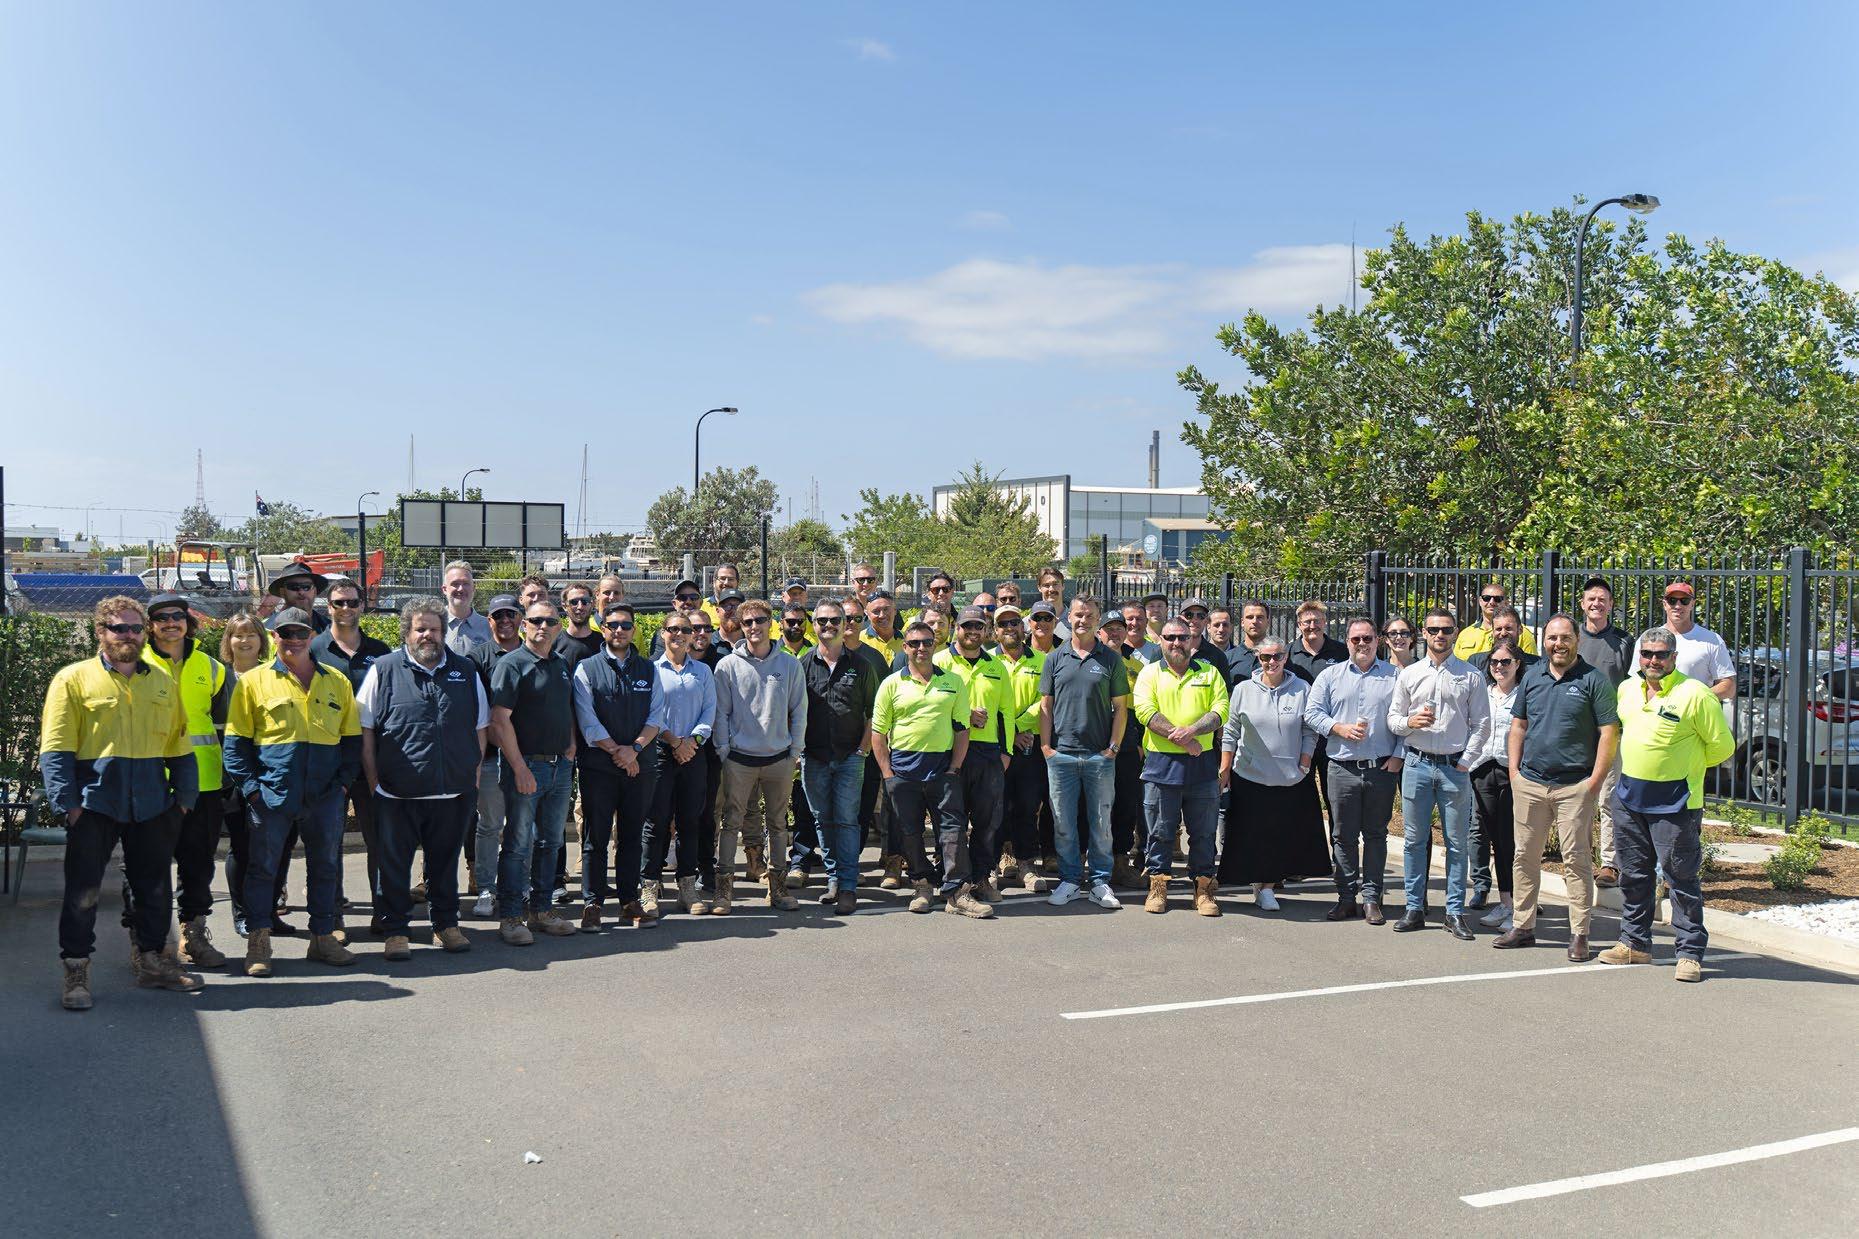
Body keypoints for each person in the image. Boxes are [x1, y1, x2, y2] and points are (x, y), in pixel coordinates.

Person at [42, 596, 202, 1009]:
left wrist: (183, 800)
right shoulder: (73, 679)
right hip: (95, 804)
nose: (128, 635)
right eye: (118, 628)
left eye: (134, 628)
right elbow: (55, 750)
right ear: (100, 632)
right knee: (83, 891)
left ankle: (152, 962)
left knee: (154, 889)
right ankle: (76, 970)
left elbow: (180, 746)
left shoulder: (161, 681)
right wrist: (70, 806)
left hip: (153, 805)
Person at [224, 606, 362, 975]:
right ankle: (258, 942)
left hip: (325, 796)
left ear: (312, 636)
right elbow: (235, 746)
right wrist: (253, 791)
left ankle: (323, 937)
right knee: (262, 869)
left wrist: (342, 785)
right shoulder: (254, 682)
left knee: (325, 868)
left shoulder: (336, 681)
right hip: (272, 796)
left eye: (302, 633)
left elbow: (352, 742)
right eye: (286, 633)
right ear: (274, 637)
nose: (294, 640)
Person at [1597, 626, 1734, 982]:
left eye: (1660, 654)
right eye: (1647, 654)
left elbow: (1722, 746)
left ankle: (1689, 953)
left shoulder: (1696, 694)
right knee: (1634, 876)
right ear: (1639, 657)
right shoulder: (1627, 689)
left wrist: (1686, 768)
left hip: (1676, 803)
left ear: (1674, 657)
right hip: (1630, 798)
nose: (1653, 661)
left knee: (1681, 879)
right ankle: (1634, 944)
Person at [357, 597, 487, 959]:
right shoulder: (383, 669)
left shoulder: (465, 670)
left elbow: (480, 727)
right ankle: (396, 930)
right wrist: (375, 783)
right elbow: (366, 732)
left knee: (444, 866)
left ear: (443, 633)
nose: (427, 635)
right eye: (420, 629)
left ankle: (446, 925)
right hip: (397, 795)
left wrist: (473, 775)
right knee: (394, 867)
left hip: (453, 793)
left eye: (434, 629)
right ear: (407, 633)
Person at [1496, 614, 1621, 961]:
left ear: (1577, 640)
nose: (1558, 644)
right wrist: (1514, 772)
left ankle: (1580, 933)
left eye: (1565, 638)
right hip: (1531, 784)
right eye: (1552, 638)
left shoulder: (1594, 680)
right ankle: (1523, 926)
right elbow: (1518, 726)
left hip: (1574, 787)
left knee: (1576, 862)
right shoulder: (1532, 677)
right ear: (1544, 642)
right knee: (1524, 857)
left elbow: (1609, 733)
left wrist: (1594, 782)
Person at [134, 592, 232, 970]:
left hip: (204, 782)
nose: (170, 623)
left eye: (177, 616)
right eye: (161, 617)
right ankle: (149, 943)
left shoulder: (212, 668)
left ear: (188, 622)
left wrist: (229, 776)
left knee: (198, 865)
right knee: (147, 866)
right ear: (150, 625)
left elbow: (226, 727)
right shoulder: (134, 663)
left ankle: (193, 935)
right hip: (149, 783)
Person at [872, 621, 991, 918]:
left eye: (926, 642)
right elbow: (878, 733)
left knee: (952, 831)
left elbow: (962, 729)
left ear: (935, 645)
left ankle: (957, 893)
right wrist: (888, 775)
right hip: (903, 770)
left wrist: (954, 768)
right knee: (910, 832)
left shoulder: (952, 681)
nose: (921, 648)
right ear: (905, 647)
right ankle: (922, 886)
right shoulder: (891, 684)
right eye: (914, 643)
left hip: (942, 769)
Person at [1387, 607, 1492, 940]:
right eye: (1433, 630)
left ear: (1455, 632)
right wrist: (1409, 722)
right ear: (1424, 633)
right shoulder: (1410, 674)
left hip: (1453, 768)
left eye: (1446, 629)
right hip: (1416, 764)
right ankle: (1414, 908)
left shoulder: (1471, 676)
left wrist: (1466, 761)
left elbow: (1482, 724)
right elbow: (1393, 719)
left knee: (1457, 844)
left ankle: (1454, 912)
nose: (1440, 635)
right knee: (1414, 841)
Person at [487, 597, 578, 945]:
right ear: (524, 624)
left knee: (551, 842)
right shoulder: (512, 664)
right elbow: (500, 720)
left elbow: (566, 707)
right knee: (517, 844)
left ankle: (541, 911)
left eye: (550, 622)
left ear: (558, 627)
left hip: (560, 768)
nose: (543, 627)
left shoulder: (560, 663)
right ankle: (511, 916)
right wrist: (519, 767)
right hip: (526, 767)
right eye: (536, 621)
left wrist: (571, 743)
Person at [712, 598, 808, 914]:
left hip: (779, 759)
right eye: (748, 622)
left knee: (778, 824)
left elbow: (799, 710)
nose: (754, 627)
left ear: (771, 623)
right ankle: (723, 890)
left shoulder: (790, 665)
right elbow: (721, 713)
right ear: (741, 627)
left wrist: (794, 750)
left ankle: (777, 888)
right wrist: (723, 749)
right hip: (739, 759)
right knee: (731, 823)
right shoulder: (728, 665)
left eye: (760, 620)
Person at [1305, 617, 1402, 924]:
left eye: (1368, 638)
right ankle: (1346, 898)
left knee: (1376, 835)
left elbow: (1406, 719)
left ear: (1378, 641)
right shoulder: (1330, 676)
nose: (1362, 644)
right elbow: (1312, 713)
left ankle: (1372, 899)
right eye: (1356, 639)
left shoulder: (1395, 676)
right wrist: (1338, 728)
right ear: (1347, 642)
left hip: (1380, 769)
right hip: (1341, 768)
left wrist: (1398, 755)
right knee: (1343, 836)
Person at [572, 603, 663, 929]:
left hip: (640, 766)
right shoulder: (586, 669)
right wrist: (618, 752)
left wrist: (634, 750)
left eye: (626, 625)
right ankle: (592, 903)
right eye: (613, 624)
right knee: (595, 838)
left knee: (631, 836)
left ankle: (629, 901)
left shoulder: (649, 670)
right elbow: (587, 720)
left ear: (634, 629)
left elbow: (656, 717)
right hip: (599, 767)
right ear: (604, 627)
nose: (620, 630)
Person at [309, 578, 392, 933]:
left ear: (362, 605)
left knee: (381, 840)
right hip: (329, 761)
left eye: (352, 602)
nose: (346, 608)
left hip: (373, 759)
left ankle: (383, 912)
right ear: (328, 607)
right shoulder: (314, 649)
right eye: (339, 602)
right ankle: (334, 917)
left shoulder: (381, 651)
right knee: (329, 843)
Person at [1219, 636, 1326, 910]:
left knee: (1278, 836)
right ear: (1258, 658)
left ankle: (1267, 887)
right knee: (1254, 835)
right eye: (1265, 657)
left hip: (1289, 777)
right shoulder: (1243, 690)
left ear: (1286, 657)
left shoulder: (1302, 689)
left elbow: (1310, 730)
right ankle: (1259, 884)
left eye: (1277, 656)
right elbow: (1231, 731)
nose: (1271, 662)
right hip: (1249, 775)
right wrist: (1225, 768)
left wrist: (1304, 761)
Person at [1132, 618, 1229, 916]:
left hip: (1202, 767)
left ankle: (1203, 890)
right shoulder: (1149, 673)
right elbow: (1145, 712)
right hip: (1161, 765)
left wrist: (1192, 732)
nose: (1177, 643)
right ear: (1161, 640)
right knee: (1160, 832)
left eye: (1182, 637)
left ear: (1192, 640)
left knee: (1203, 833)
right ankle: (1158, 887)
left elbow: (1221, 710)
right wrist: (1186, 740)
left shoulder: (1210, 672)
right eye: (1170, 637)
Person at [1037, 595, 1128, 909]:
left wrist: (1113, 748)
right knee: (1063, 824)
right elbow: (1045, 707)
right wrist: (1046, 747)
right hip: (1061, 756)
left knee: (1101, 823)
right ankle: (1070, 880)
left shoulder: (1111, 659)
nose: (1083, 620)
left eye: (1089, 615)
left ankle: (1100, 882)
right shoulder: (1054, 658)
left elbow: (1120, 708)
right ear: (1069, 618)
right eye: (1078, 615)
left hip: (1098, 757)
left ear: (1097, 620)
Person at [798, 600, 878, 914]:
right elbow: (794, 711)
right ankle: (833, 878)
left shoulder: (861, 665)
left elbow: (873, 711)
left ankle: (847, 886)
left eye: (835, 620)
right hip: (814, 756)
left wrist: (863, 748)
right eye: (822, 621)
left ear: (845, 624)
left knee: (846, 821)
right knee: (823, 819)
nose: (828, 626)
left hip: (850, 757)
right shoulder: (803, 664)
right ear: (813, 624)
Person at [934, 605, 1015, 904]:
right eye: (966, 626)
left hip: (987, 753)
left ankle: (981, 878)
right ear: (956, 628)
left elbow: (1006, 713)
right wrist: (965, 715)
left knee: (987, 822)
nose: (972, 631)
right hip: (949, 750)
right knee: (951, 822)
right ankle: (953, 882)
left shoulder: (996, 666)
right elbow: (931, 708)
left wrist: (1006, 753)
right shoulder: (939, 661)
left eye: (978, 626)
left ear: (986, 630)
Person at [643, 612, 718, 916]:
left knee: (690, 822)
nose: (679, 634)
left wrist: (692, 742)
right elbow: (649, 713)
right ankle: (649, 886)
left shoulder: (702, 671)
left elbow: (709, 711)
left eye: (685, 630)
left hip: (693, 753)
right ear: (663, 633)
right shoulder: (651, 670)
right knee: (655, 822)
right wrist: (674, 741)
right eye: (673, 629)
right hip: (660, 751)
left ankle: (687, 887)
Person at [466, 595, 522, 917]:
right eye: (498, 615)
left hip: (528, 756)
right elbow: (476, 712)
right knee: (489, 825)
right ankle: (486, 888)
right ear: (489, 621)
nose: (505, 621)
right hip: (489, 757)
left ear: (520, 618)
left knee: (524, 827)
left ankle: (520, 886)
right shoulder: (476, 659)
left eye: (510, 614)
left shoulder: (535, 653)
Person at [218, 610, 271, 936]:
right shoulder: (219, 677)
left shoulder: (274, 674)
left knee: (270, 847)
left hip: (267, 773)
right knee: (241, 846)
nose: (245, 640)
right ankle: (242, 913)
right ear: (229, 641)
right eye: (238, 634)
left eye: (251, 634)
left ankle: (268, 912)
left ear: (261, 640)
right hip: (231, 776)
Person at [1577, 577, 1633, 887]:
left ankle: (1610, 863)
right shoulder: (1572, 638)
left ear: (1610, 605)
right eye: (1591, 599)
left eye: (1602, 599)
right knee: (1580, 798)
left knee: (1609, 799)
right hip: (1577, 733)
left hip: (1610, 731)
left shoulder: (1624, 642)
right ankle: (1581, 859)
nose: (1596, 603)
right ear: (1583, 604)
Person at [993, 603, 1052, 893]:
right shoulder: (987, 662)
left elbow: (1045, 701)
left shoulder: (1043, 661)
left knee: (1027, 807)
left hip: (1029, 746)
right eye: (1003, 624)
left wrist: (1019, 728)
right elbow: (985, 703)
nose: (1009, 628)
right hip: (995, 745)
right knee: (993, 808)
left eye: (1014, 622)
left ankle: (1026, 865)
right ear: (995, 630)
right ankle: (989, 865)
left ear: (1023, 626)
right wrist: (1009, 733)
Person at [1466, 638, 1523, 933]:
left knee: (1510, 841)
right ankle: (1505, 903)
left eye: (1506, 661)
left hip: (1510, 772)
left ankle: (1518, 907)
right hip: (1481, 770)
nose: (1499, 667)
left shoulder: (1524, 695)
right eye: (1495, 662)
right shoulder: (1481, 693)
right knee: (1493, 841)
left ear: (1517, 664)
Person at [1099, 608, 1149, 888]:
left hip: (1128, 746)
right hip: (1095, 741)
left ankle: (1120, 862)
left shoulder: (1137, 666)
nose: (1115, 633)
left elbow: (1142, 709)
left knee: (1125, 804)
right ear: (1099, 632)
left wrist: (1139, 744)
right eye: (1109, 628)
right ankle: (1089, 863)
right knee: (1093, 805)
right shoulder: (1091, 660)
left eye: (1119, 628)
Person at [1453, 581, 1539, 659]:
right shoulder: (1465, 634)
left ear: (1506, 602)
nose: (1491, 602)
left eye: (1497, 599)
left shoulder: (1522, 633)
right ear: (1480, 601)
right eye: (1486, 598)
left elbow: (1531, 665)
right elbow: (1455, 665)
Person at [1466, 607, 1539, 675]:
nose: (1503, 633)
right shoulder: (1476, 663)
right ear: (1492, 632)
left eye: (1508, 628)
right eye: (1499, 629)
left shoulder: (1537, 665)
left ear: (1520, 630)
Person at [441, 560, 493, 654]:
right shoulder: (432, 624)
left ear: (473, 588)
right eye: (455, 584)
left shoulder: (489, 627)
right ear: (444, 589)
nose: (461, 589)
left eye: (466, 583)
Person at [268, 562, 331, 633]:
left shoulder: (330, 629)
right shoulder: (265, 629)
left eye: (307, 587)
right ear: (282, 592)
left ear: (315, 591)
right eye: (293, 587)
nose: (301, 592)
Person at [554, 582, 604, 664]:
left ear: (592, 605)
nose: (580, 607)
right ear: (564, 606)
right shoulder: (553, 643)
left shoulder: (603, 644)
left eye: (585, 601)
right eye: (574, 602)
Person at [1229, 600, 1271, 680]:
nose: (1254, 621)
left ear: (1268, 622)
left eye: (1260, 617)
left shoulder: (1278, 657)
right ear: (1242, 622)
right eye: (1250, 617)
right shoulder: (1228, 658)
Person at [699, 563, 741, 627]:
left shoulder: (745, 607)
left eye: (731, 579)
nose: (726, 583)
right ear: (714, 582)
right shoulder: (701, 606)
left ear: (737, 583)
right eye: (722, 578)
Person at [1122, 600, 1162, 665]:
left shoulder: (1158, 652)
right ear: (1122, 622)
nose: (1134, 623)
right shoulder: (1116, 650)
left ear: (1146, 622)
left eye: (1139, 619)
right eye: (1130, 619)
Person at [1036, 568, 1069, 638]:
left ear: (1063, 586)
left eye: (1055, 584)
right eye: (1046, 585)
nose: (1051, 589)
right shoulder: (1029, 623)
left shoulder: (1075, 621)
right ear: (1039, 588)